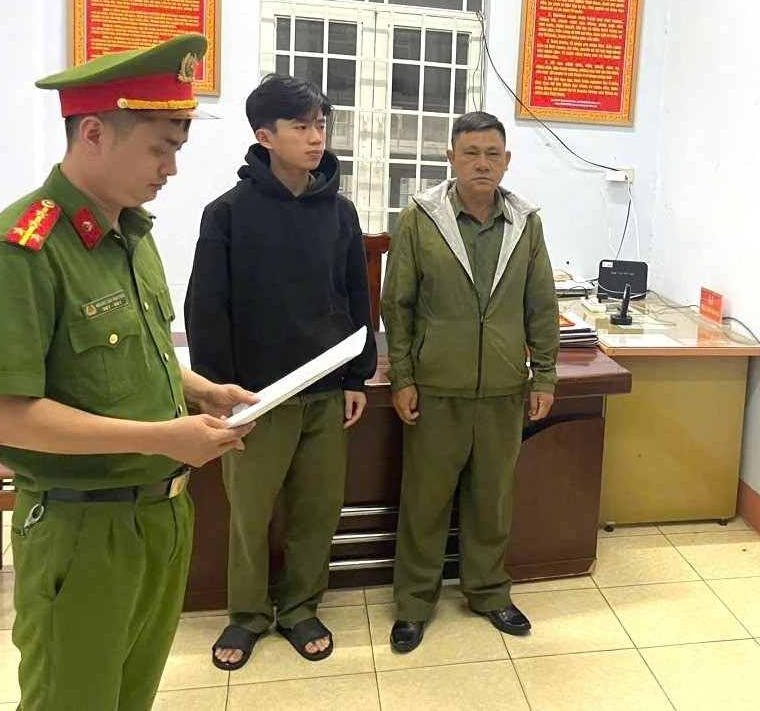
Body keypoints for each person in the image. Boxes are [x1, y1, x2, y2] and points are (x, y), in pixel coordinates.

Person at [0, 33, 259, 711]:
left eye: (178, 149)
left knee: (130, 698)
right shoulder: (18, 251)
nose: (171, 169)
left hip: (160, 517)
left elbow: (125, 352)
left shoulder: (131, 234)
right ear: (93, 132)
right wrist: (159, 437)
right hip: (81, 528)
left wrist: (200, 390)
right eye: (160, 148)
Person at [184, 73, 378, 669]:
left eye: (321, 124)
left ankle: (299, 607)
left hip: (325, 389)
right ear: (264, 136)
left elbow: (357, 296)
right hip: (254, 397)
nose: (316, 137)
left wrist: (356, 376)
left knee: (317, 511)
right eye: (301, 126)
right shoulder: (227, 214)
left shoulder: (340, 212)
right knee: (250, 515)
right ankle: (246, 615)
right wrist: (216, 392)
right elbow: (206, 308)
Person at [382, 110, 559, 653]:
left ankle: (488, 592)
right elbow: (397, 303)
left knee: (492, 501)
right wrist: (402, 376)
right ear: (451, 158)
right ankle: (415, 604)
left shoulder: (525, 222)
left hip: (504, 389)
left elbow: (541, 304)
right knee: (425, 503)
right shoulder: (421, 218)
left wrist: (544, 374)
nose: (482, 164)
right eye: (471, 153)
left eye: (492, 154)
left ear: (506, 161)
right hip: (437, 388)